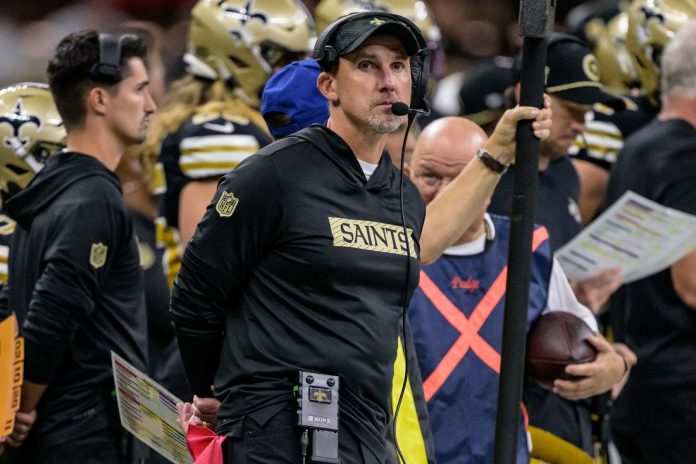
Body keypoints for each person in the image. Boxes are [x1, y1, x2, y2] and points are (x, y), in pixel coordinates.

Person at [171, 11, 551, 463]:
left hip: (367, 428)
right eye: (367, 65)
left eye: (399, 66)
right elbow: (194, 295)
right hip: (275, 429)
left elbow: (427, 245)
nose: (387, 82)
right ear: (328, 86)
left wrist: (499, 149)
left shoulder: (404, 196)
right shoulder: (271, 175)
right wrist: (212, 390)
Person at [407, 116, 632, 464]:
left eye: (463, 177)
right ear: (408, 174)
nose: (447, 191)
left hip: (504, 452)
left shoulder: (527, 247)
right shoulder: (389, 250)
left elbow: (596, 351)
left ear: (490, 179)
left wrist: (613, 368)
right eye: (430, 177)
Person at [2, 30, 156, 463]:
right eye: (139, 90)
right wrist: (20, 408)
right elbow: (53, 313)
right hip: (85, 435)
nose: (151, 105)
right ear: (100, 100)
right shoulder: (94, 199)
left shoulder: (49, 192)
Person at [604, 20, 696, 463]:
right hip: (683, 397)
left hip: (644, 384)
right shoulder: (688, 155)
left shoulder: (640, 147)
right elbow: (691, 284)